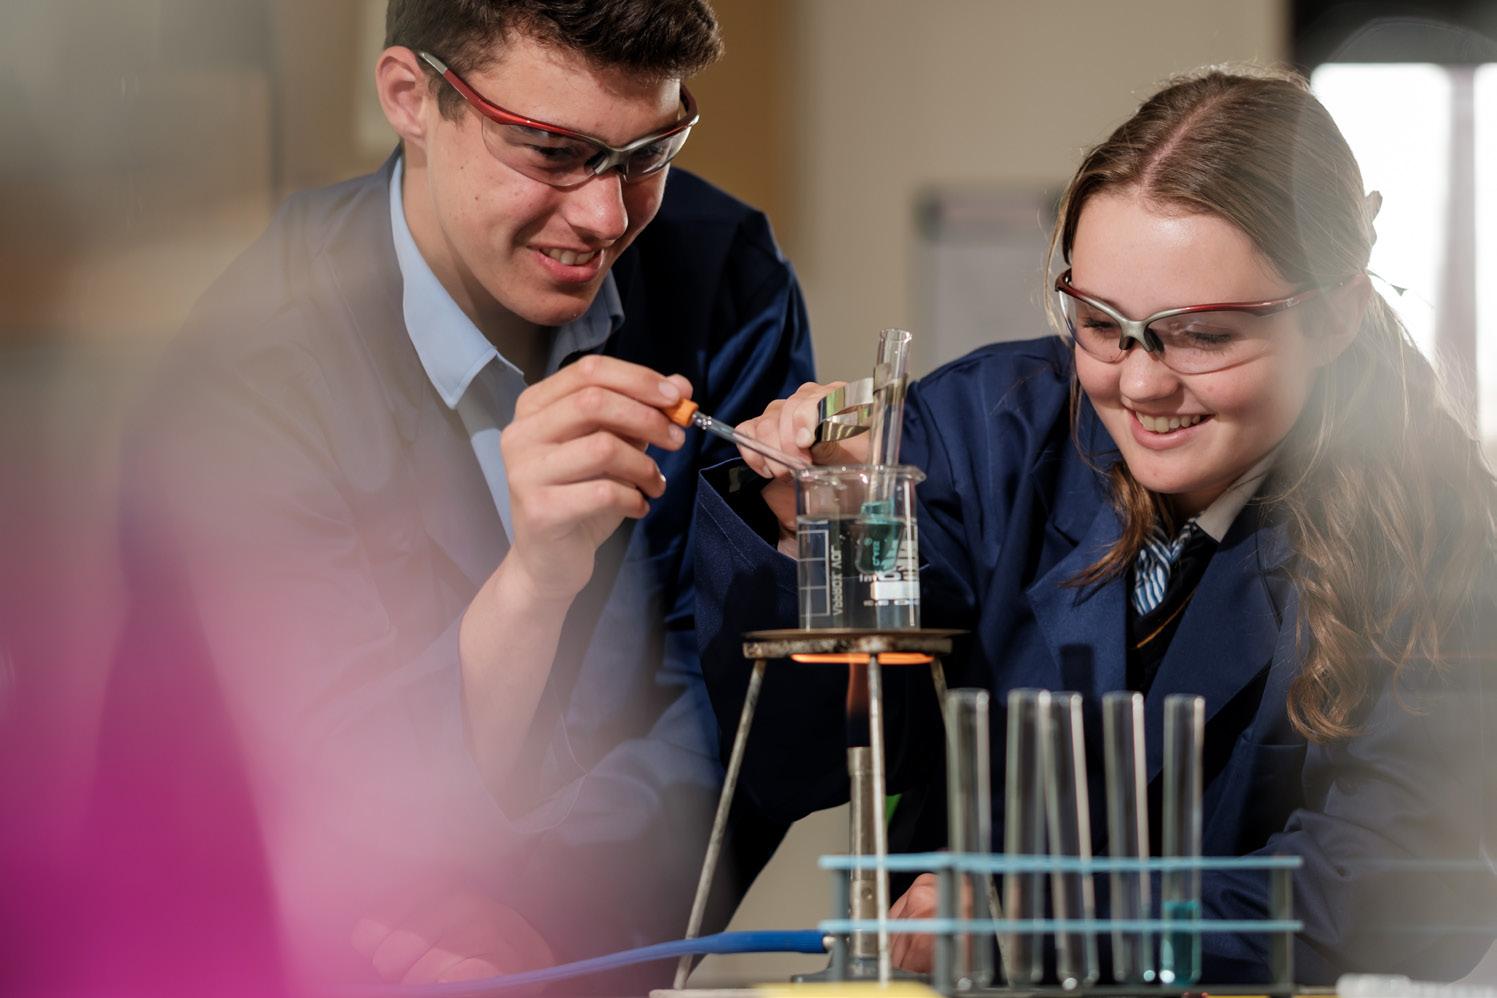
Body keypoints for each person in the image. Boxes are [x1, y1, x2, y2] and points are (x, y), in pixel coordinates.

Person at [695, 66, 1497, 985]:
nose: (1142, 383)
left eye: (1203, 334)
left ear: (1336, 315)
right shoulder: (983, 434)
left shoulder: (1429, 529)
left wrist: (1055, 921)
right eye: (1102, 323)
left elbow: (1402, 888)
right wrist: (813, 526)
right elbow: (799, 762)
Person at [110, 0, 812, 990]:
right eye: (553, 152)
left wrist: (549, 925)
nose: (607, 218)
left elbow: (731, 696)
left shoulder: (725, 281)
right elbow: (327, 782)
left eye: (647, 152)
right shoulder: (255, 367)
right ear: (411, 97)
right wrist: (533, 581)